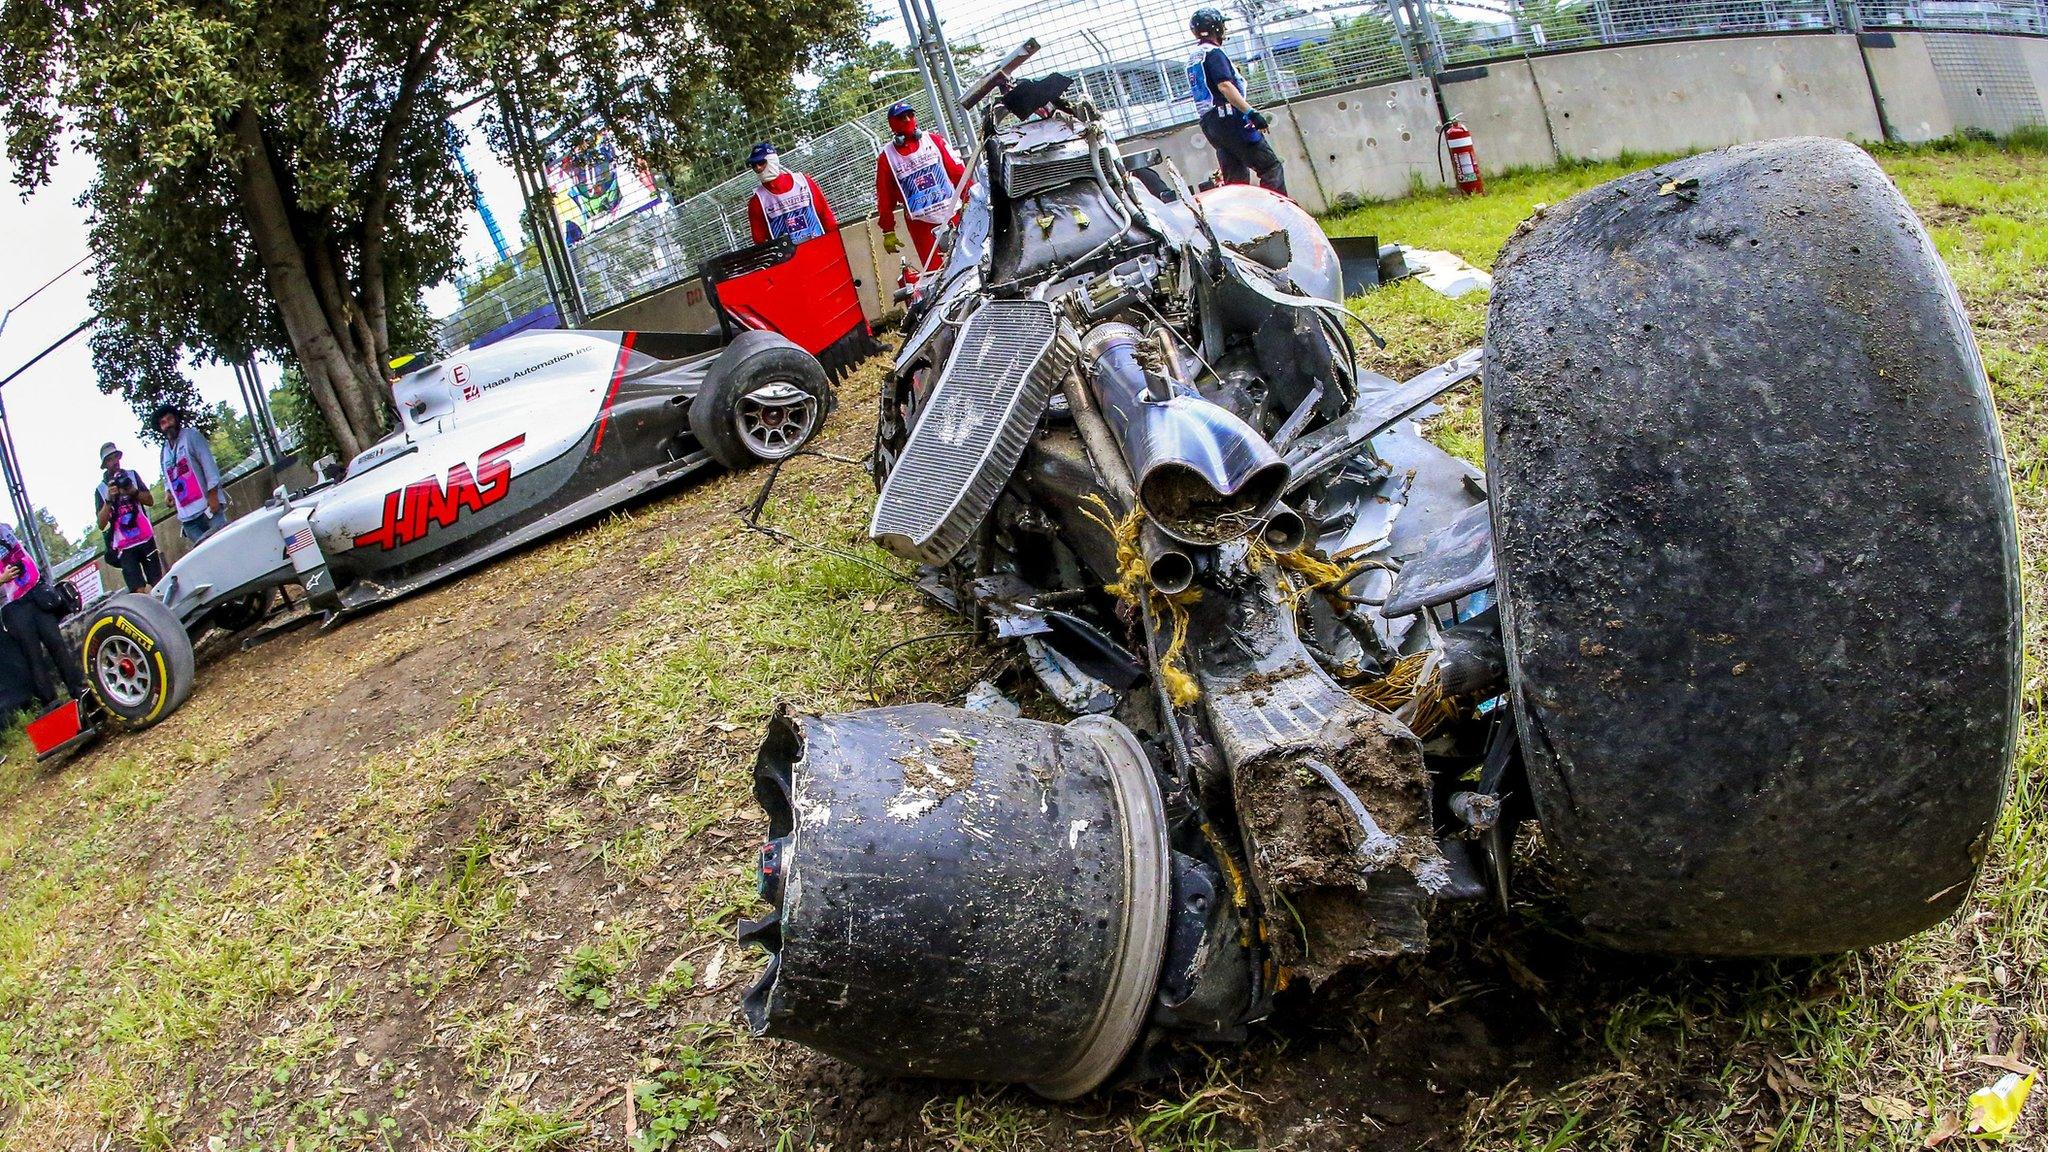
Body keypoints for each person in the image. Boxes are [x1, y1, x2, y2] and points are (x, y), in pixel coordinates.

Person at [1187, 7, 1287, 196]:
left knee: (1236, 180)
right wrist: (1252, 113)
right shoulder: (1213, 53)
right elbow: (1224, 86)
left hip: (1210, 124)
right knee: (1270, 166)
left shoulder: (1194, 57)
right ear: (1216, 28)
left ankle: (1243, 222)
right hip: (1230, 118)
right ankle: (1277, 219)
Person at [875, 103, 971, 280]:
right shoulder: (886, 157)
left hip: (953, 212)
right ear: (892, 124)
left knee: (970, 258)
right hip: (921, 224)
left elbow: (958, 171)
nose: (907, 120)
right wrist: (888, 230)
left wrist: (970, 198)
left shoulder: (934, 140)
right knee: (938, 274)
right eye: (901, 118)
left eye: (910, 115)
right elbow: (884, 196)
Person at [0, 523, 85, 708]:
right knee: (33, 655)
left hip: (35, 593)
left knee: (56, 642)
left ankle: (78, 689)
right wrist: (2, 578)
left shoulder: (5, 529)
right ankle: (51, 702)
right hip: (13, 606)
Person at [95, 442, 162, 593]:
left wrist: (133, 491)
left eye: (116, 457)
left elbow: (150, 500)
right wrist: (109, 500)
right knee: (138, 590)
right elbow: (101, 524)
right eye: (110, 459)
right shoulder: (101, 489)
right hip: (124, 547)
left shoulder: (131, 475)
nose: (115, 462)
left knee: (158, 583)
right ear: (105, 464)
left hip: (145, 538)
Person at [155, 404, 226, 542]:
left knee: (223, 547)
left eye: (170, 419)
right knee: (205, 559)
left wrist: (213, 495)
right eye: (163, 423)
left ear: (176, 419)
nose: (168, 425)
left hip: (207, 508)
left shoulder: (191, 436)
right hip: (188, 518)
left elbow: (208, 465)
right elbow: (167, 476)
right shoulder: (164, 451)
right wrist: (168, 491)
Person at [746, 142, 838, 245]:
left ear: (772, 160)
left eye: (761, 162)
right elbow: (760, 240)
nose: (758, 168)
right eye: (753, 165)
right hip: (788, 258)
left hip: (820, 246)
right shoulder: (757, 201)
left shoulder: (803, 182)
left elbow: (825, 213)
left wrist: (835, 241)